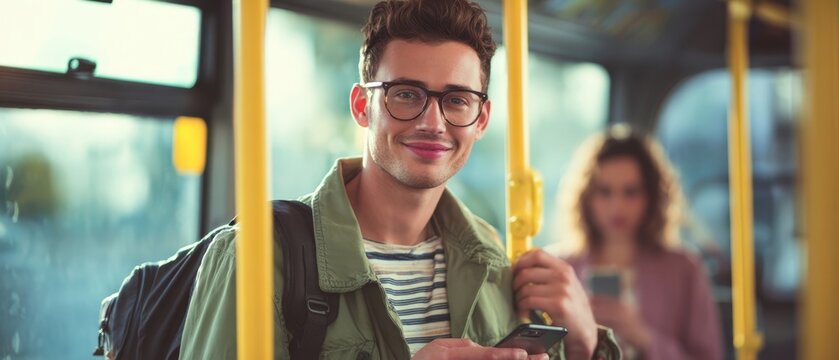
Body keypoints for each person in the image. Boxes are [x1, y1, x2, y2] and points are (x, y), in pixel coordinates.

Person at [179, 0, 621, 359]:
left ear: (481, 118)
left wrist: (586, 342)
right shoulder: (258, 258)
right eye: (406, 94)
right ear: (361, 106)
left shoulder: (493, 262)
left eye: (457, 100)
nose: (433, 122)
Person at [551, 125, 723, 360]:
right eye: (604, 191)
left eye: (630, 192)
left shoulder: (685, 268)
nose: (617, 206)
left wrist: (641, 335)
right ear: (586, 197)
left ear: (651, 197)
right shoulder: (558, 266)